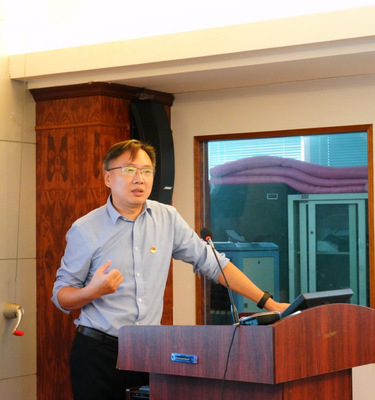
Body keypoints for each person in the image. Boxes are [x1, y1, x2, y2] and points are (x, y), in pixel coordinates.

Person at [51, 139, 289, 400]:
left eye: (147, 171)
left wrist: (269, 303)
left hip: (148, 350)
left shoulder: (167, 218)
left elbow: (215, 264)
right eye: (129, 170)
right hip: (98, 353)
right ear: (108, 178)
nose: (139, 179)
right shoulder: (86, 229)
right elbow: (61, 296)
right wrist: (93, 291)